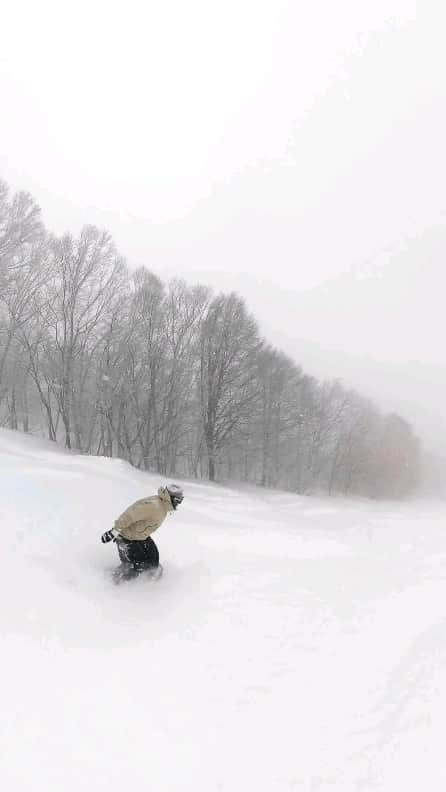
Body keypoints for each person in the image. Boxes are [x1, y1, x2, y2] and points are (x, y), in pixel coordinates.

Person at [101, 484, 184, 581]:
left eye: (180, 500)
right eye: (178, 500)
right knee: (134, 568)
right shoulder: (154, 505)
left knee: (153, 563)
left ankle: (151, 586)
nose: (179, 504)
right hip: (126, 537)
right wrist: (114, 531)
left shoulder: (163, 506)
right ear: (171, 498)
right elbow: (130, 514)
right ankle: (111, 581)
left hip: (140, 537)